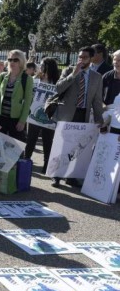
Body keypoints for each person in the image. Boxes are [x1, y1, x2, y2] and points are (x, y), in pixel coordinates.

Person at [51, 46, 104, 187]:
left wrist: (100, 119)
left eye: (85, 57)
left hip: (83, 114)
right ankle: (56, 175)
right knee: (62, 146)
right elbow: (58, 88)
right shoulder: (68, 70)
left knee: (77, 147)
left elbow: (97, 101)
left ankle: (71, 176)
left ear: (92, 58)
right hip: (66, 114)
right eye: (79, 57)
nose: (81, 60)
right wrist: (73, 75)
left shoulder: (97, 77)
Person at [24, 58, 61, 173]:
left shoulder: (57, 82)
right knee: (31, 139)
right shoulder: (36, 79)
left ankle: (46, 165)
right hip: (34, 114)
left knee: (48, 141)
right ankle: (26, 161)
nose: (40, 67)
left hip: (49, 116)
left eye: (42, 65)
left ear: (48, 67)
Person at [0, 50, 33, 143]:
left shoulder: (27, 79)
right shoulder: (2, 76)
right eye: (10, 59)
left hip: (16, 120)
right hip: (0, 118)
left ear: (21, 62)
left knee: (14, 150)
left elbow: (27, 102)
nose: (12, 62)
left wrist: (22, 121)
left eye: (15, 60)